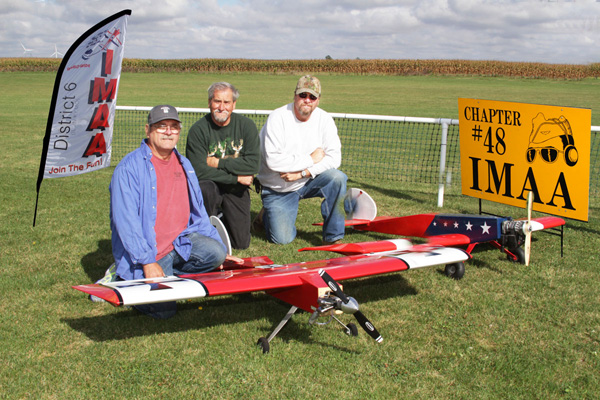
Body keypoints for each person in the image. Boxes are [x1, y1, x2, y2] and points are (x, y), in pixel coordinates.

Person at [110, 104, 241, 318]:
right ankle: (124, 277)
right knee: (165, 311)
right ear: (147, 130)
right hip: (151, 251)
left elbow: (198, 212)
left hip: (180, 243)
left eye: (174, 126)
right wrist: (148, 262)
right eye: (161, 126)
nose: (168, 131)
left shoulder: (184, 164)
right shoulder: (128, 169)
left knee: (215, 253)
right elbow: (126, 222)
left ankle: (166, 274)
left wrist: (221, 250)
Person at [256, 75, 349, 245]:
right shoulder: (277, 118)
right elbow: (273, 161)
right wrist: (310, 159)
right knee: (282, 240)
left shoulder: (325, 119)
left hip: (307, 179)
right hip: (279, 187)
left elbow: (334, 158)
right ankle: (266, 215)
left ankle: (333, 237)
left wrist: (303, 173)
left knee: (337, 178)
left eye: (312, 97)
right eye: (303, 95)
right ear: (295, 95)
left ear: (318, 100)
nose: (307, 100)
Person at [186, 82, 260, 250]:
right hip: (212, 184)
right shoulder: (198, 130)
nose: (221, 107)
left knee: (241, 243)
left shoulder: (246, 126)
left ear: (233, 105)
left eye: (227, 102)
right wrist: (236, 177)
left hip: (235, 188)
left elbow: (253, 164)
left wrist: (217, 162)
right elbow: (198, 171)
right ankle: (202, 231)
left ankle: (222, 219)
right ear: (209, 103)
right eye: (217, 101)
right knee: (206, 188)